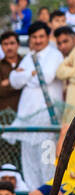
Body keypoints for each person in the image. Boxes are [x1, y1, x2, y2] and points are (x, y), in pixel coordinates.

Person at [3, 21, 64, 186]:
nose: (37, 40)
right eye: (34, 37)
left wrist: (25, 76)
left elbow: (46, 77)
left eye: (41, 37)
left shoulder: (54, 55)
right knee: (29, 165)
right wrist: (31, 73)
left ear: (47, 37)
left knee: (47, 163)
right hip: (26, 120)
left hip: (46, 119)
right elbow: (14, 81)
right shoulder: (29, 57)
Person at [0, 31, 22, 113]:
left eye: (12, 43)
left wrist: (6, 83)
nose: (9, 47)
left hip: (26, 115)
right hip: (4, 117)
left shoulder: (26, 63)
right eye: (5, 44)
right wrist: (14, 78)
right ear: (1, 47)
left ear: (18, 45)